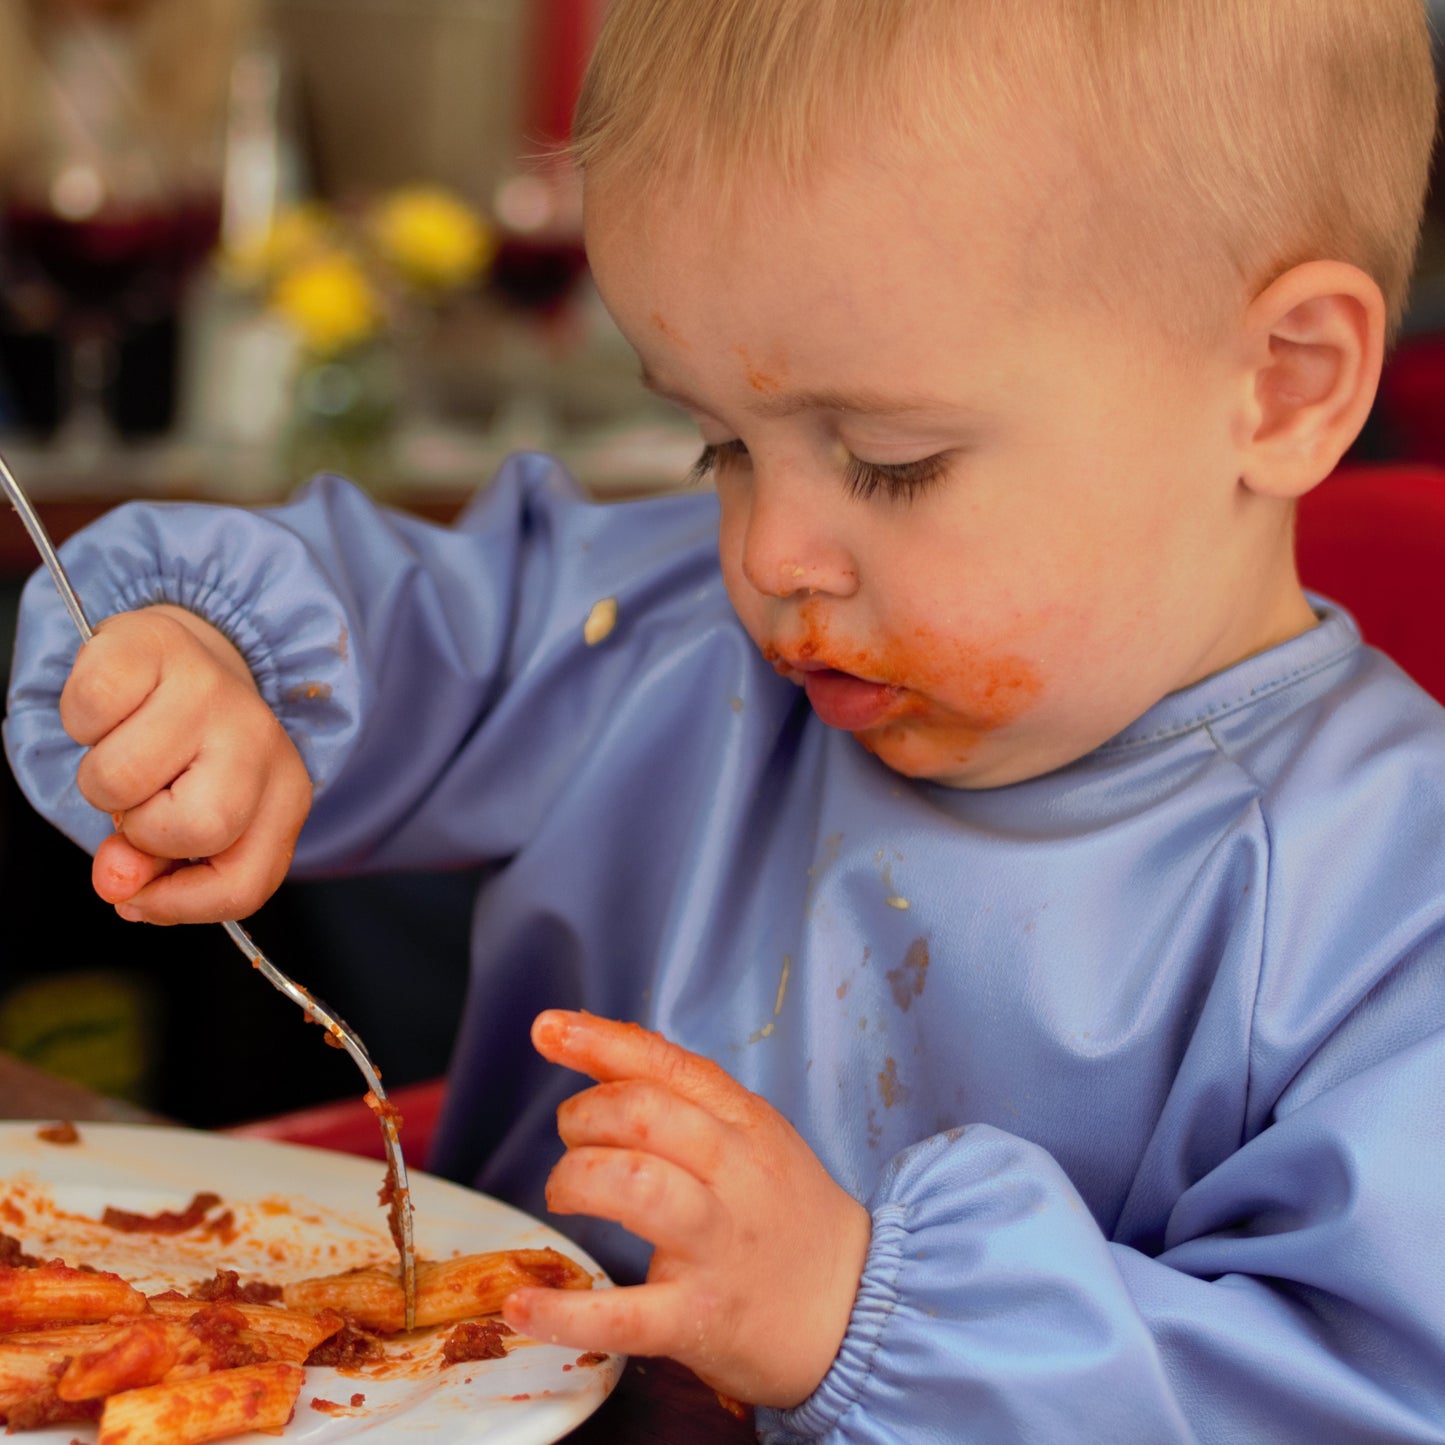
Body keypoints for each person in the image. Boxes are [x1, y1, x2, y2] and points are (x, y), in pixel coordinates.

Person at [5, 0, 1444, 1438]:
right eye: (718, 443)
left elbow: (1362, 1394)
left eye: (891, 461)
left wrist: (859, 1311)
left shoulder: (1389, 906)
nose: (766, 556)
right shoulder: (663, 639)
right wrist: (197, 664)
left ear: (1283, 383)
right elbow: (376, 621)